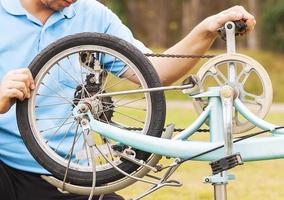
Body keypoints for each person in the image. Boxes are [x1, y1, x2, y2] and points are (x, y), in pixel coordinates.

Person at [0, 0, 255, 199]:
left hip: (67, 174)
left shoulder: (94, 16)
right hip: (6, 169)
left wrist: (206, 29)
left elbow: (153, 72)